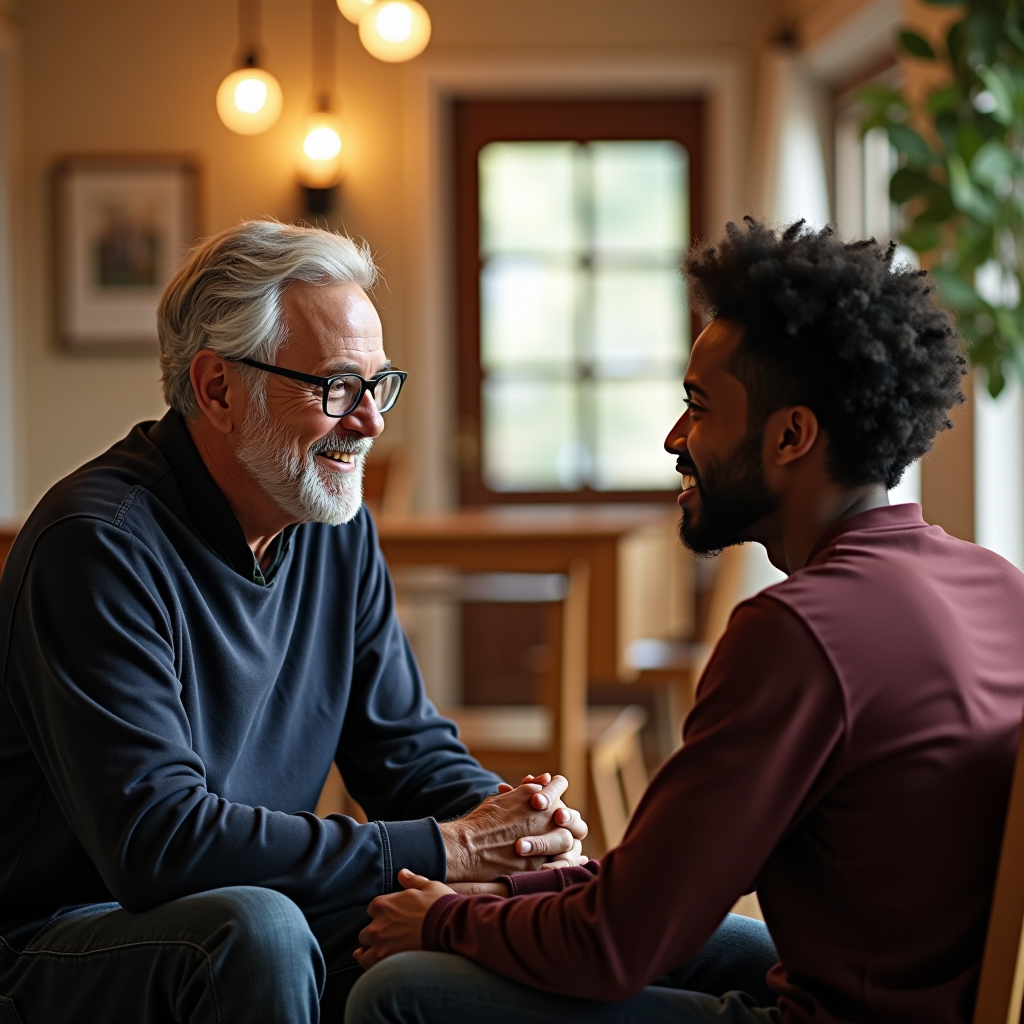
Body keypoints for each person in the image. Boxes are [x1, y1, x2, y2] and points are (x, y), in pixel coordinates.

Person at [345, 218, 1024, 1024]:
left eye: (698, 407)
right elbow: (661, 890)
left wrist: (447, 920)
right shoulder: (995, 583)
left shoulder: (799, 632)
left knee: (400, 993)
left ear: (791, 435)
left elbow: (619, 946)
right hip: (920, 985)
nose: (674, 439)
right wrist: (500, 891)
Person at [0, 220, 588, 1024]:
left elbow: (407, 753)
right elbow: (160, 843)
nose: (372, 421)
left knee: (576, 910)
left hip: (255, 905)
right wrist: (446, 848)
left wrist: (521, 836)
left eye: (379, 385)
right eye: (337, 386)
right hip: (63, 937)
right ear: (217, 390)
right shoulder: (96, 545)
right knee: (260, 928)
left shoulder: (331, 532)